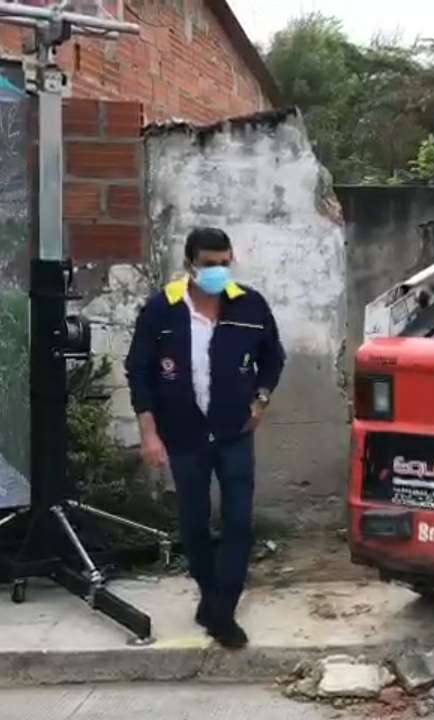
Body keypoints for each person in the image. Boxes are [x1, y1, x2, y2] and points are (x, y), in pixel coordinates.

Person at [124, 227, 284, 649]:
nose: (219, 272)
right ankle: (211, 596)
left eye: (225, 263)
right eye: (210, 265)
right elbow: (138, 370)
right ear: (190, 265)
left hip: (234, 431)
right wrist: (149, 433)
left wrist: (261, 400)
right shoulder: (162, 310)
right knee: (194, 524)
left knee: (238, 522)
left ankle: (223, 611)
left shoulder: (250, 305)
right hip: (184, 433)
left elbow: (274, 357)